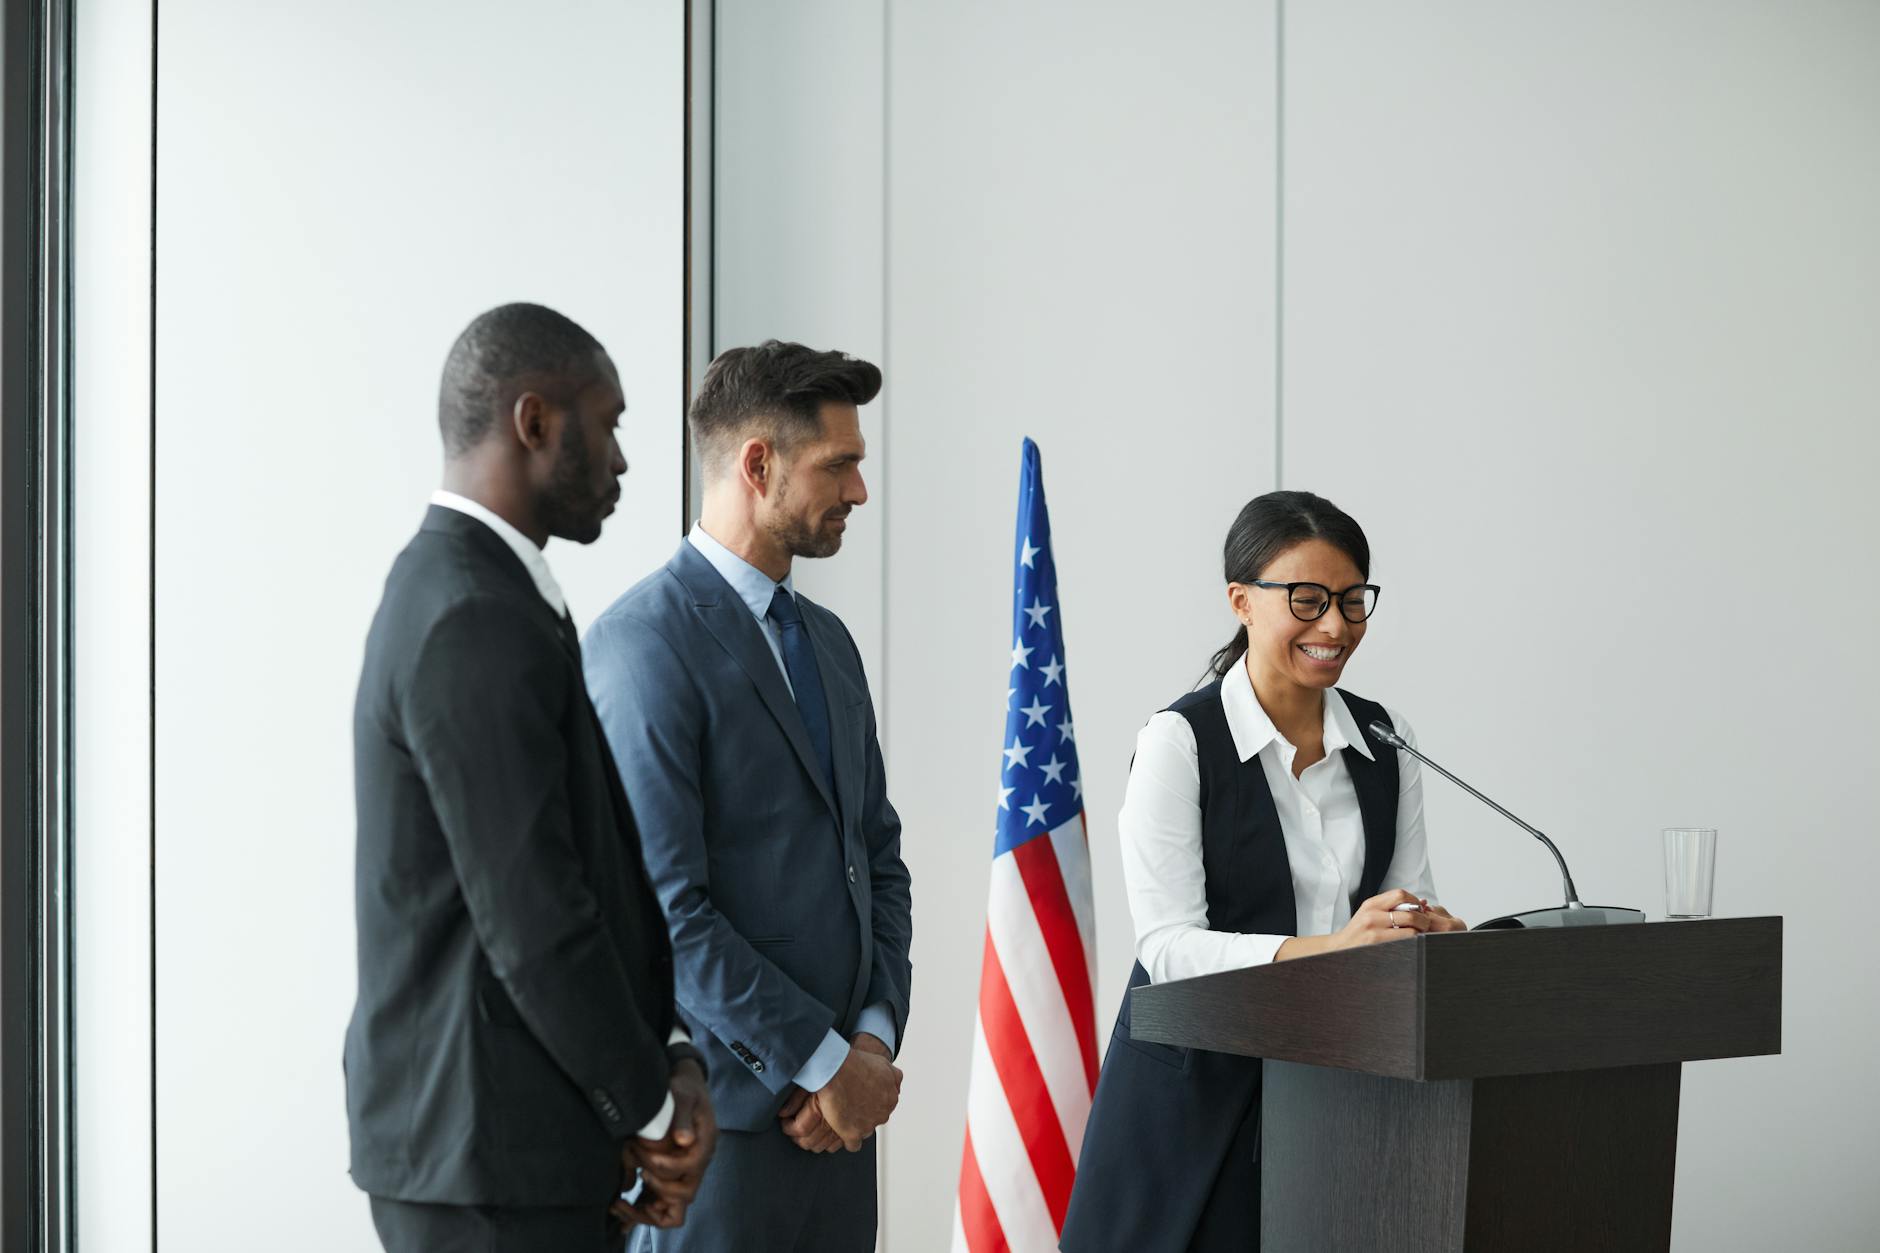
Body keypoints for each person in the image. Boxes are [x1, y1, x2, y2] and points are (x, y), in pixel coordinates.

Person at [345, 303, 715, 1252]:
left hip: (511, 1148)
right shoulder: (471, 611)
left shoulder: (488, 594)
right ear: (536, 421)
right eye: (613, 421)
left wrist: (665, 1063)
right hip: (486, 1162)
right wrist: (647, 1108)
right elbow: (537, 918)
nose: (627, 459)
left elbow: (589, 882)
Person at [1060, 490, 1466, 1253]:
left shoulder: (1387, 737)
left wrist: (1428, 929)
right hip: (1193, 1103)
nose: (1336, 625)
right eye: (1308, 600)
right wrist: (1334, 950)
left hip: (1342, 1092)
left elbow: (1404, 901)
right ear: (1241, 600)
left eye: (1352, 600)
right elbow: (1168, 947)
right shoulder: (1179, 741)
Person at [582, 339, 913, 1253]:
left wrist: (870, 1047)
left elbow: (877, 859)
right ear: (758, 464)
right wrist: (818, 1060)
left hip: (841, 1137)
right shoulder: (643, 644)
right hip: (718, 1143)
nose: (858, 490)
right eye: (838, 464)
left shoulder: (833, 644)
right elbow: (667, 914)